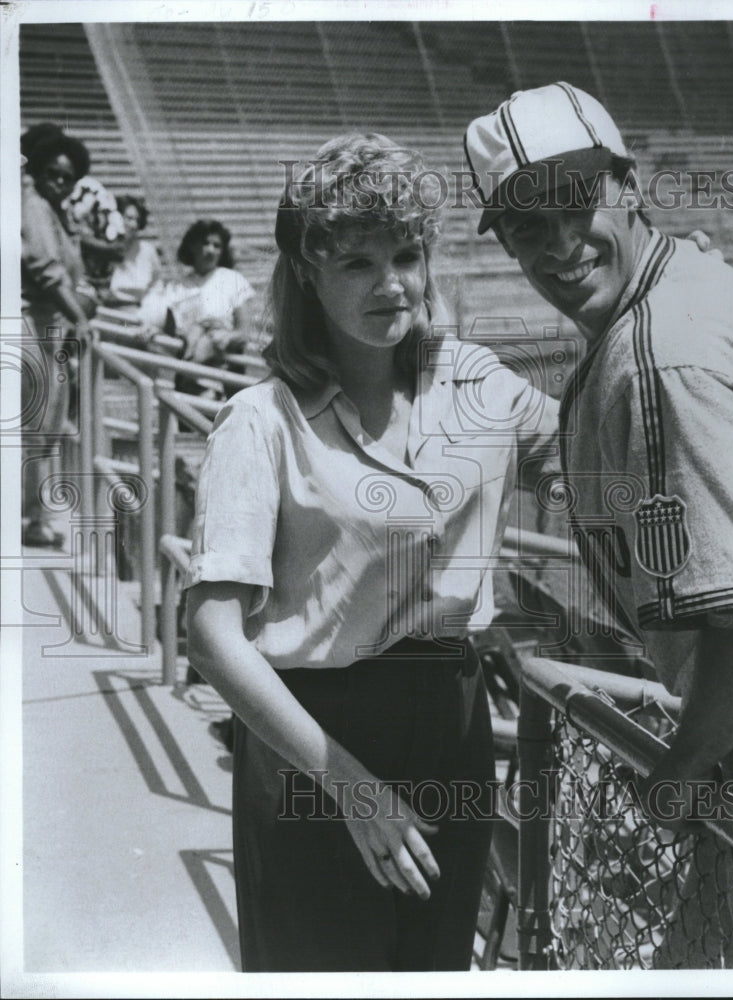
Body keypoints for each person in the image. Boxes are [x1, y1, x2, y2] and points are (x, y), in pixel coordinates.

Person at [184, 132, 559, 971]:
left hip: (452, 720)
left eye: (407, 255)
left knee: (432, 968)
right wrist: (353, 790)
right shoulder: (262, 420)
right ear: (307, 276)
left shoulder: (473, 381)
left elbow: (585, 452)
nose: (392, 285)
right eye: (357, 264)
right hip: (314, 744)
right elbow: (209, 636)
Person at [464, 82, 733, 967]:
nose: (557, 243)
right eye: (523, 222)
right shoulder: (692, 279)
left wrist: (678, 774)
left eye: (575, 200)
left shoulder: (659, 358)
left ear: (627, 185)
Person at [20, 126, 94, 547]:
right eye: (53, 173)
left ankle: (35, 516)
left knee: (46, 427)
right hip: (35, 326)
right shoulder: (32, 204)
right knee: (37, 428)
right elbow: (46, 272)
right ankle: (33, 520)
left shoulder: (51, 210)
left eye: (68, 177)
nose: (60, 183)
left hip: (50, 329)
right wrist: (80, 319)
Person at [139, 218, 254, 397]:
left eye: (217, 246)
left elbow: (244, 332)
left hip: (222, 369)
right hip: (187, 372)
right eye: (205, 243)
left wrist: (226, 336)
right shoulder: (177, 286)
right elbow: (168, 331)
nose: (210, 250)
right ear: (192, 246)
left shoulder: (232, 280)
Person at [105, 195, 162, 307]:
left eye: (137, 220)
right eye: (129, 218)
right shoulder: (102, 247)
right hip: (109, 310)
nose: (134, 225)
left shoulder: (147, 250)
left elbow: (157, 285)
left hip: (139, 309)